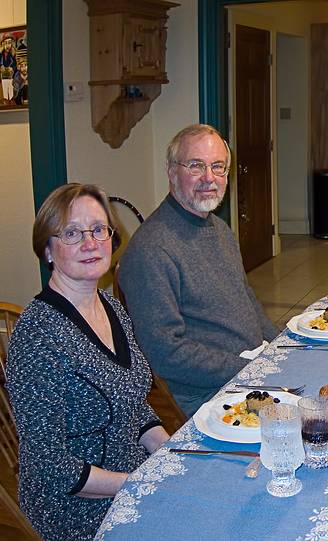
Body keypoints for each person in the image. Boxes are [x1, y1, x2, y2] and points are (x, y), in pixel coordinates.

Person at [6, 184, 170, 541]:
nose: (91, 242)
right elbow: (51, 466)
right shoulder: (37, 337)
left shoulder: (109, 306)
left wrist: (166, 449)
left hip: (130, 476)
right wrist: (140, 484)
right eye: (71, 233)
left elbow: (130, 401)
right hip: (77, 508)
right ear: (47, 250)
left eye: (98, 229)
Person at [119, 124, 279, 417]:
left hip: (251, 370)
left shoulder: (219, 229)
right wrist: (251, 368)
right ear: (171, 172)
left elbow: (247, 300)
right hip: (211, 395)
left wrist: (280, 348)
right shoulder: (151, 250)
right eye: (196, 166)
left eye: (218, 167)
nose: (209, 178)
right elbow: (167, 353)